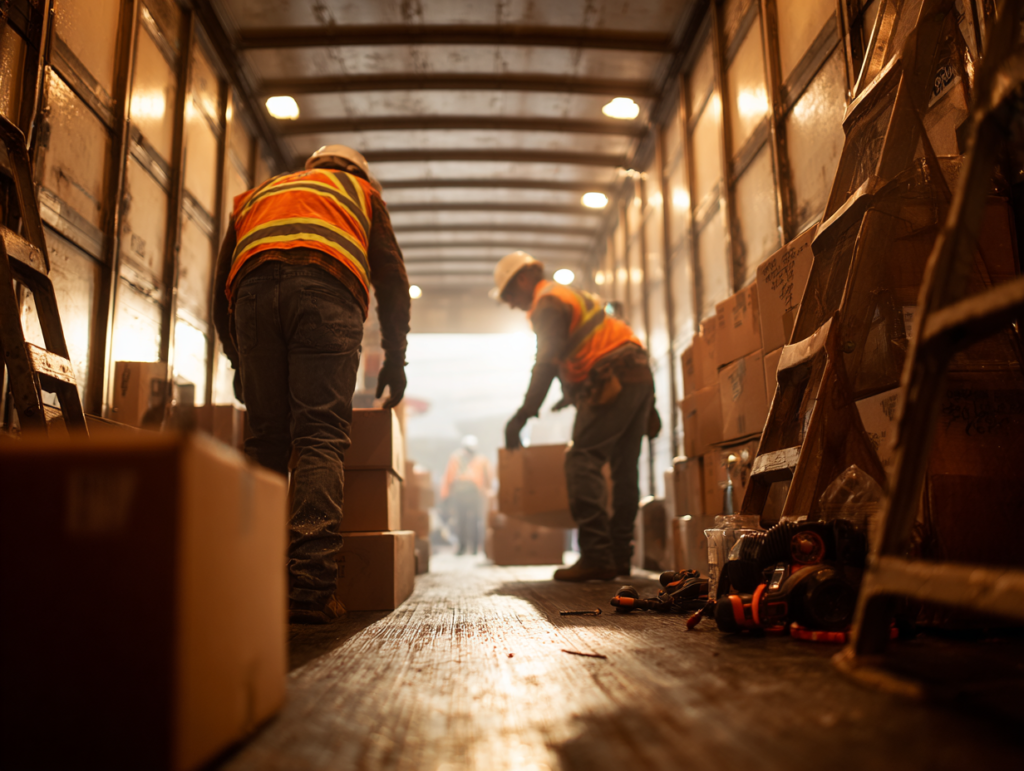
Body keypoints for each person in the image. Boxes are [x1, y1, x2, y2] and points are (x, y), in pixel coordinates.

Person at [213, 144, 410, 624]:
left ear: (313, 167)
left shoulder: (258, 193)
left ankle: (255, 583)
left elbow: (220, 289)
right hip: (328, 288)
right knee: (319, 436)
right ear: (361, 173)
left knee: (265, 440)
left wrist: (238, 359)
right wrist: (395, 358)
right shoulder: (362, 192)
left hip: (252, 295)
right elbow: (392, 280)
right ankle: (309, 589)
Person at [494, 251, 660, 581]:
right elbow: (581, 346)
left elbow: (546, 362)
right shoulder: (564, 296)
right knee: (625, 470)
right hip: (637, 374)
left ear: (523, 279)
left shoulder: (547, 303)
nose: (512, 305)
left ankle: (597, 555)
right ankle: (618, 556)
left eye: (509, 295)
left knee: (581, 460)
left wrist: (523, 414)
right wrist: (569, 396)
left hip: (613, 376)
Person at [440, 435, 494, 555]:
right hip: (460, 493)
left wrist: (488, 491)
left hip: (474, 493)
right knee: (461, 520)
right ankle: (463, 547)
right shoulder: (456, 458)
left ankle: (473, 547)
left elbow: (488, 476)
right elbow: (449, 476)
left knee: (474, 520)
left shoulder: (480, 459)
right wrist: (445, 495)